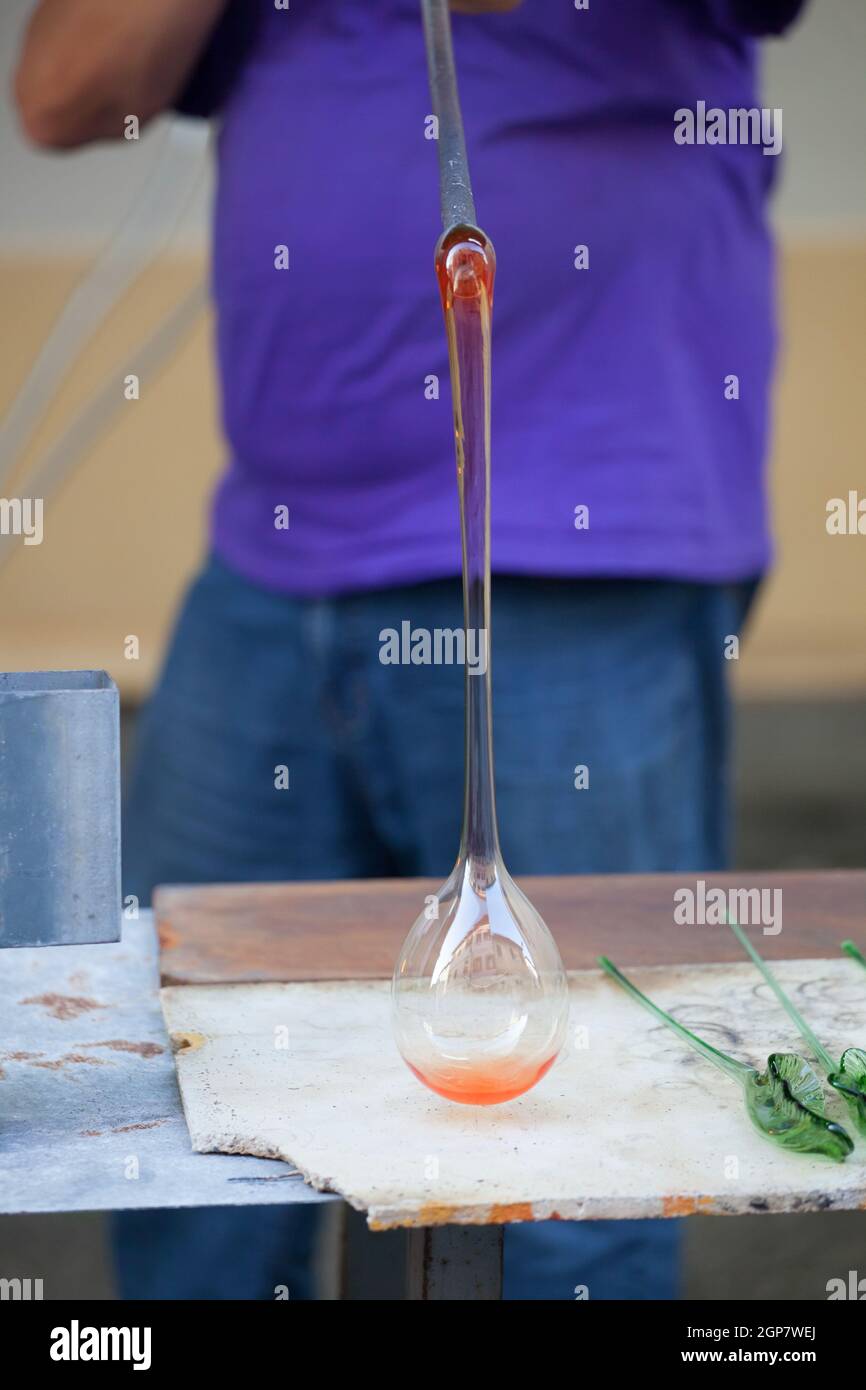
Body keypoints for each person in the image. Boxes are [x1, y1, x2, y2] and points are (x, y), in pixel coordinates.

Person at [15, 0, 805, 1300]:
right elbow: (59, 92)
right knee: (172, 1111)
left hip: (582, 554)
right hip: (272, 566)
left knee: (592, 1132)